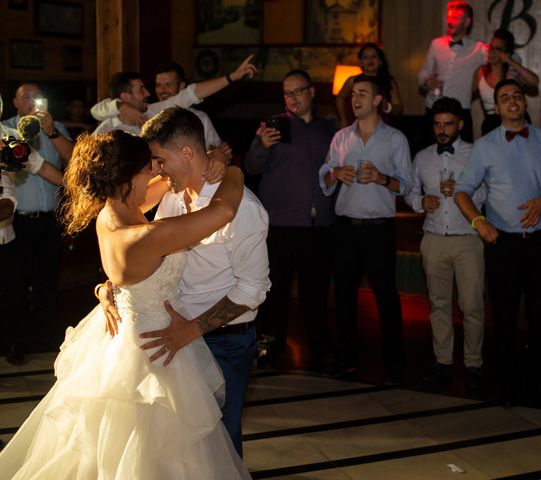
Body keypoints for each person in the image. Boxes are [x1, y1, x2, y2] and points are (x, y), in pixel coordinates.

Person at [0, 130, 251, 479]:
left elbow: (166, 184)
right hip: (153, 352)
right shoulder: (145, 235)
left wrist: (210, 157)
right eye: (147, 169)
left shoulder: (114, 211)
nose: (155, 173)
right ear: (126, 178)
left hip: (124, 336)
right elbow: (223, 210)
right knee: (154, 448)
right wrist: (234, 169)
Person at [100, 107, 270, 456]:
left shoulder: (245, 209)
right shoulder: (172, 198)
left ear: (188, 153)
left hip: (223, 342)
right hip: (174, 339)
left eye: (159, 160)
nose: (155, 171)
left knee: (219, 443)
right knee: (178, 447)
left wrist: (191, 330)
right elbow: (145, 257)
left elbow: (252, 290)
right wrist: (109, 287)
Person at [454, 79, 541, 405]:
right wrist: (479, 222)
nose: (513, 101)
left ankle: (540, 382)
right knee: (503, 316)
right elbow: (462, 192)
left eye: (517, 96)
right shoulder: (485, 145)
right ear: (498, 107)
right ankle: (507, 384)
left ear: (525, 103)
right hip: (502, 245)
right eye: (505, 97)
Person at [319, 74, 413, 384]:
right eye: (352, 94)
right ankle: (346, 360)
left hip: (378, 229)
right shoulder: (341, 138)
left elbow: (407, 185)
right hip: (345, 228)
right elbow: (325, 174)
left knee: (386, 296)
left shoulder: (395, 139)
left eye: (362, 93)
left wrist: (382, 178)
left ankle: (395, 366)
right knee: (344, 296)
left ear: (377, 100)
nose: (355, 99)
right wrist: (336, 172)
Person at [245, 70, 337, 374]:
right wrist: (262, 145)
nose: (293, 98)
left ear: (312, 92)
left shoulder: (329, 129)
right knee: (276, 292)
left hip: (318, 226)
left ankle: (319, 351)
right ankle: (271, 347)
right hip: (281, 225)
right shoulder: (274, 126)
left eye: (298, 91)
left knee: (316, 293)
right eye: (287, 93)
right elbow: (251, 166)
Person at [404, 97, 485, 388]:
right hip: (434, 236)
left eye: (448, 124)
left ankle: (474, 363)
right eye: (437, 124)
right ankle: (443, 361)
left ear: (460, 124)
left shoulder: (476, 153)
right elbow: (411, 191)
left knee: (472, 305)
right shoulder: (423, 156)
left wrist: (466, 195)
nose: (442, 129)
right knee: (438, 304)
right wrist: (420, 201)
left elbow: (486, 193)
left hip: (468, 238)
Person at [2, 83, 74, 357]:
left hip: (47, 219)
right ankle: (16, 341)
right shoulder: (6, 130)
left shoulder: (48, 128)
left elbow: (42, 166)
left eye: (36, 97)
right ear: (14, 102)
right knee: (15, 284)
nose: (32, 102)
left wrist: (51, 131)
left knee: (46, 279)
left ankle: (46, 338)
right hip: (15, 221)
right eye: (26, 97)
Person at [91, 55, 256, 135]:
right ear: (126, 97)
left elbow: (191, 94)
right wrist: (120, 106)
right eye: (142, 89)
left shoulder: (153, 112)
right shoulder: (106, 129)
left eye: (168, 84)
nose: (149, 93)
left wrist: (232, 77)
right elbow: (95, 111)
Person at [417, 1, 486, 145]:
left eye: (454, 18)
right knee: (428, 153)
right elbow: (423, 74)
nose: (449, 21)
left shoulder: (478, 48)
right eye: (448, 17)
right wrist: (427, 82)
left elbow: (502, 57)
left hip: (460, 112)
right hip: (434, 109)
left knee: (464, 156)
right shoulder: (436, 43)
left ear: (467, 22)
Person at [473, 29, 539, 135]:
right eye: (491, 47)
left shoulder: (512, 72)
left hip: (516, 121)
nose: (492, 52)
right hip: (491, 123)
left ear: (507, 53)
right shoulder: (481, 72)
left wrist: (510, 61)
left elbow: (534, 82)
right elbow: (466, 94)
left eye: (498, 49)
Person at [336, 43, 403, 128]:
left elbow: (399, 109)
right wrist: (343, 119)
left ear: (380, 61)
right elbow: (340, 98)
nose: (370, 60)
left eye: (373, 57)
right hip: (355, 129)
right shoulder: (352, 81)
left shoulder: (388, 82)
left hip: (382, 131)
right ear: (361, 62)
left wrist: (387, 107)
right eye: (366, 57)